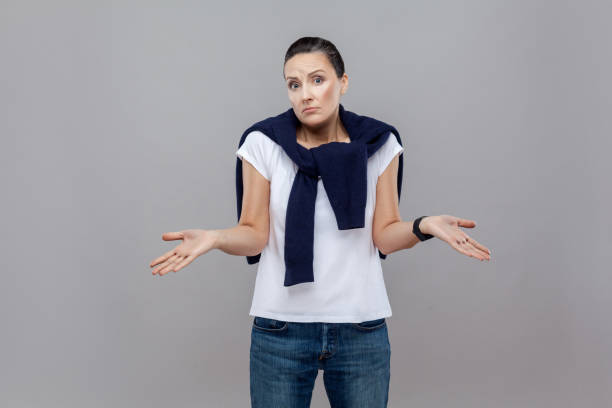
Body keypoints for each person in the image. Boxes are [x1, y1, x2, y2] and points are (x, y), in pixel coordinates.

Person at [149, 36, 491, 408]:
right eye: (294, 85)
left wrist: (423, 226)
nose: (305, 94)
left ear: (342, 83)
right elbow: (253, 234)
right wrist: (214, 238)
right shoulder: (264, 143)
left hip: (361, 327)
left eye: (317, 80)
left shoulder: (378, 143)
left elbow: (385, 235)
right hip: (280, 329)